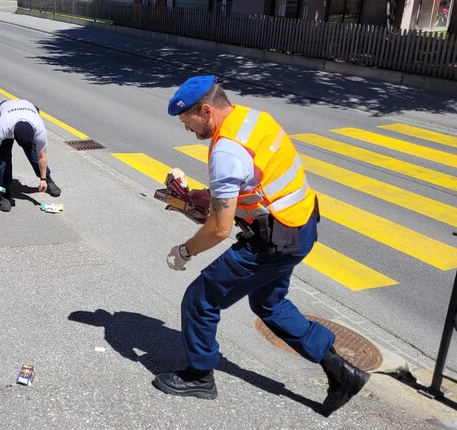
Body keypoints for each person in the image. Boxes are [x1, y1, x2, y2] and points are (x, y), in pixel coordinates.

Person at [153, 75, 369, 417]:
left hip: (273, 241)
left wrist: (185, 251)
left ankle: (199, 376)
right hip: (302, 226)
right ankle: (342, 372)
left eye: (187, 121)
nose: (187, 129)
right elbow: (258, 185)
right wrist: (207, 204)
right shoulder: (254, 119)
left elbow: (219, 230)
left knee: (200, 298)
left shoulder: (225, 151)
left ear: (206, 111)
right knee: (269, 304)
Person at [0, 99, 61, 212]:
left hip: (26, 110)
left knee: (34, 154)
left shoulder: (39, 129)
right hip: (7, 114)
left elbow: (42, 156)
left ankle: (48, 180)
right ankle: (4, 193)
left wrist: (43, 179)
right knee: (4, 159)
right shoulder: (3, 127)